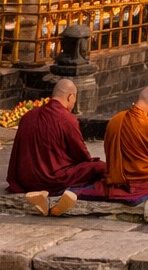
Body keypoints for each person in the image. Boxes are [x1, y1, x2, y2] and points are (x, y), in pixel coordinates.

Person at [7, 79, 103, 216]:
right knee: (99, 168)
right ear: (70, 97)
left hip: (25, 180)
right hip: (52, 179)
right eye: (74, 100)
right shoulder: (66, 118)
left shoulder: (28, 116)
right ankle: (66, 195)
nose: (73, 104)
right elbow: (82, 156)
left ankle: (42, 196)